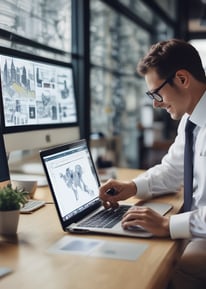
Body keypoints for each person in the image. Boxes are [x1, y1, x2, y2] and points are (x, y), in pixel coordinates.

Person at [99, 39, 206, 289]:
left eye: (156, 93)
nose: (155, 103)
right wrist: (132, 187)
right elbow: (172, 170)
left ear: (182, 78)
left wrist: (168, 223)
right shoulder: (190, 121)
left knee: (166, 265)